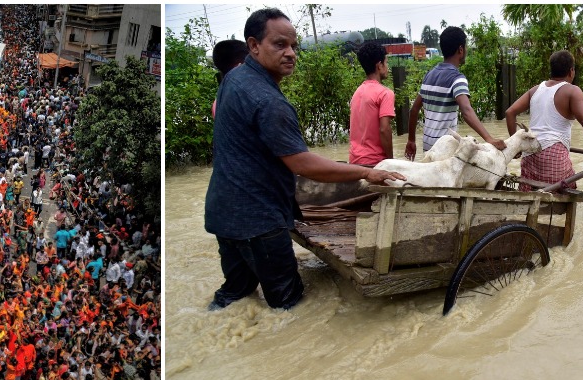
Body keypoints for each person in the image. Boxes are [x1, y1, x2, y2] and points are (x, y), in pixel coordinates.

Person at [204, 8, 404, 312]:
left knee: (236, 294)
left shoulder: (233, 80)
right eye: (279, 45)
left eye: (294, 46)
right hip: (258, 221)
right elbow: (304, 165)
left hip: (223, 212)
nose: (290, 53)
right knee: (289, 307)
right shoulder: (269, 101)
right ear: (254, 45)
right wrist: (367, 173)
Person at [504, 49, 583, 191]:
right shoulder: (572, 91)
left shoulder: (535, 89)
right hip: (553, 156)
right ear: (571, 71)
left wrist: (517, 146)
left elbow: (510, 112)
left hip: (529, 154)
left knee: (530, 199)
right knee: (566, 192)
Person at [405, 26, 507, 160]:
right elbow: (466, 110)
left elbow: (414, 110)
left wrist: (411, 140)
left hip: (428, 147)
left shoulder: (429, 75)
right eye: (466, 47)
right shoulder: (457, 78)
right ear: (460, 50)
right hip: (444, 149)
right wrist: (489, 138)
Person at [349, 41, 396, 166]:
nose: (388, 67)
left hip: (354, 161)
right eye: (386, 62)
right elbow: (384, 129)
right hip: (375, 163)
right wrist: (391, 161)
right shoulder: (385, 93)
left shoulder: (357, 92)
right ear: (379, 65)